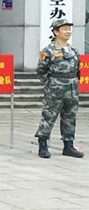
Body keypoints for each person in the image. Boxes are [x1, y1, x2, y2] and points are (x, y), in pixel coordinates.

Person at [36, 17, 83, 159]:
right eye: (65, 29)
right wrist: (50, 84)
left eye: (69, 29)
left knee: (70, 116)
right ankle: (43, 144)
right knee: (49, 115)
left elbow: (78, 69)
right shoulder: (48, 50)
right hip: (55, 88)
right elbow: (41, 71)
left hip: (72, 88)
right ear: (56, 32)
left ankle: (68, 145)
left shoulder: (73, 50)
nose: (68, 31)